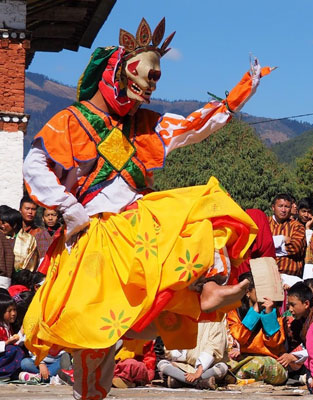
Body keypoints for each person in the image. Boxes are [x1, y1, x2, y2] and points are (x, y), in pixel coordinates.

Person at [21, 17, 271, 400]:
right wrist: (68, 207)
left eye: (156, 78)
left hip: (136, 228)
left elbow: (194, 124)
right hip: (94, 237)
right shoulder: (71, 121)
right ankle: (89, 393)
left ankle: (203, 293)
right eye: (146, 75)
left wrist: (242, 90)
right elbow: (34, 166)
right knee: (96, 332)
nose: (151, 85)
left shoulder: (147, 125)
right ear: (118, 71)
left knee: (196, 215)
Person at [225, 272, 287, 385]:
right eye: (259, 291)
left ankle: (237, 378)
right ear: (248, 292)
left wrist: (268, 315)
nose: (263, 295)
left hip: (268, 361)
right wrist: (254, 312)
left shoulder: (273, 312)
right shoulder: (235, 312)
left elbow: (275, 343)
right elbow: (239, 337)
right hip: (243, 359)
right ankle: (240, 377)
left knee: (257, 364)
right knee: (225, 365)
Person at [158, 320, 231, 390]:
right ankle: (200, 382)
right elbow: (173, 345)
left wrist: (198, 372)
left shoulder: (216, 321)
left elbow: (213, 348)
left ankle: (181, 380)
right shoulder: (185, 317)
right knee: (162, 364)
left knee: (222, 367)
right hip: (185, 367)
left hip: (207, 368)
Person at [268, 193, 307, 277]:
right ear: (273, 207)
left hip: (290, 275)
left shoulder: (297, 226)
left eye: (287, 207)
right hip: (267, 274)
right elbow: (259, 244)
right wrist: (282, 239)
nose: (283, 210)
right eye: (280, 206)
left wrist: (269, 249)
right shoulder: (265, 223)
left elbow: (296, 247)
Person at [0, 206, 37, 273]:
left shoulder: (28, 239)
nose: (2, 226)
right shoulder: (2, 239)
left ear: (14, 225)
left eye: (4, 223)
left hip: (21, 278)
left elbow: (31, 262)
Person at [0, 290, 24, 379]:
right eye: (9, 311)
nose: (13, 314)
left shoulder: (8, 326)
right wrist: (6, 343)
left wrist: (21, 332)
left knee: (17, 349)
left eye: (14, 310)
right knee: (13, 350)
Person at [298, 197, 313, 279]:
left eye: (309, 212)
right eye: (303, 211)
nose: (306, 215)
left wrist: (308, 228)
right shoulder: (293, 226)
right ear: (298, 211)